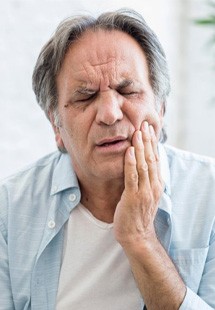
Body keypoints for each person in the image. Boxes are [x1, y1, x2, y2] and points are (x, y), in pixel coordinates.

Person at [0, 8, 214, 310]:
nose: (110, 114)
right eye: (85, 97)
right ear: (56, 125)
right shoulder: (9, 209)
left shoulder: (209, 194)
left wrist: (140, 239)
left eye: (127, 90)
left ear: (161, 108)